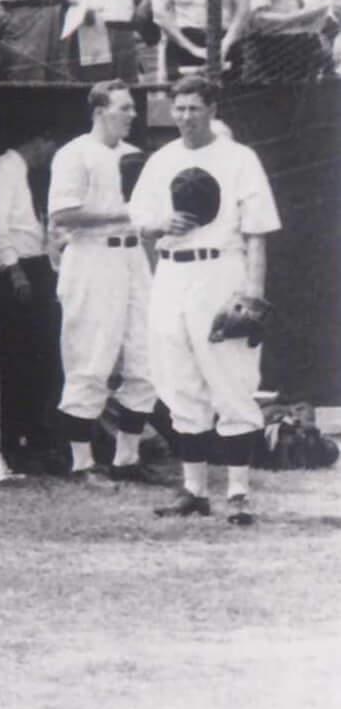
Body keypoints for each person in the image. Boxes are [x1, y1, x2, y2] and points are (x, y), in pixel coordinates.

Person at [127, 74, 281, 527]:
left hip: (221, 269)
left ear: (212, 109)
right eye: (179, 108)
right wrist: (160, 225)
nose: (185, 117)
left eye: (194, 108)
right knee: (178, 382)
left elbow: (256, 232)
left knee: (230, 379)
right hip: (174, 271)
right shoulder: (162, 160)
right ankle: (194, 490)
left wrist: (252, 292)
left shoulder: (239, 159)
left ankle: (237, 493)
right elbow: (138, 218)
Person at [47, 84, 157, 485]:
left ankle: (127, 458)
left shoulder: (133, 156)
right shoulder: (74, 154)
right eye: (123, 108)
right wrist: (122, 213)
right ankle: (81, 462)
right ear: (99, 110)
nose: (132, 115)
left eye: (132, 108)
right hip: (92, 257)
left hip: (133, 256)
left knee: (146, 357)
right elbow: (63, 215)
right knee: (90, 358)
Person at [0, 131, 62, 476]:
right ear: (40, 141)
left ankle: (29, 435)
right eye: (51, 148)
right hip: (14, 267)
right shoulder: (2, 170)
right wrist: (15, 270)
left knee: (36, 358)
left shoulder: (25, 174)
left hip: (37, 265)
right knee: (10, 357)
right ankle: (3, 440)